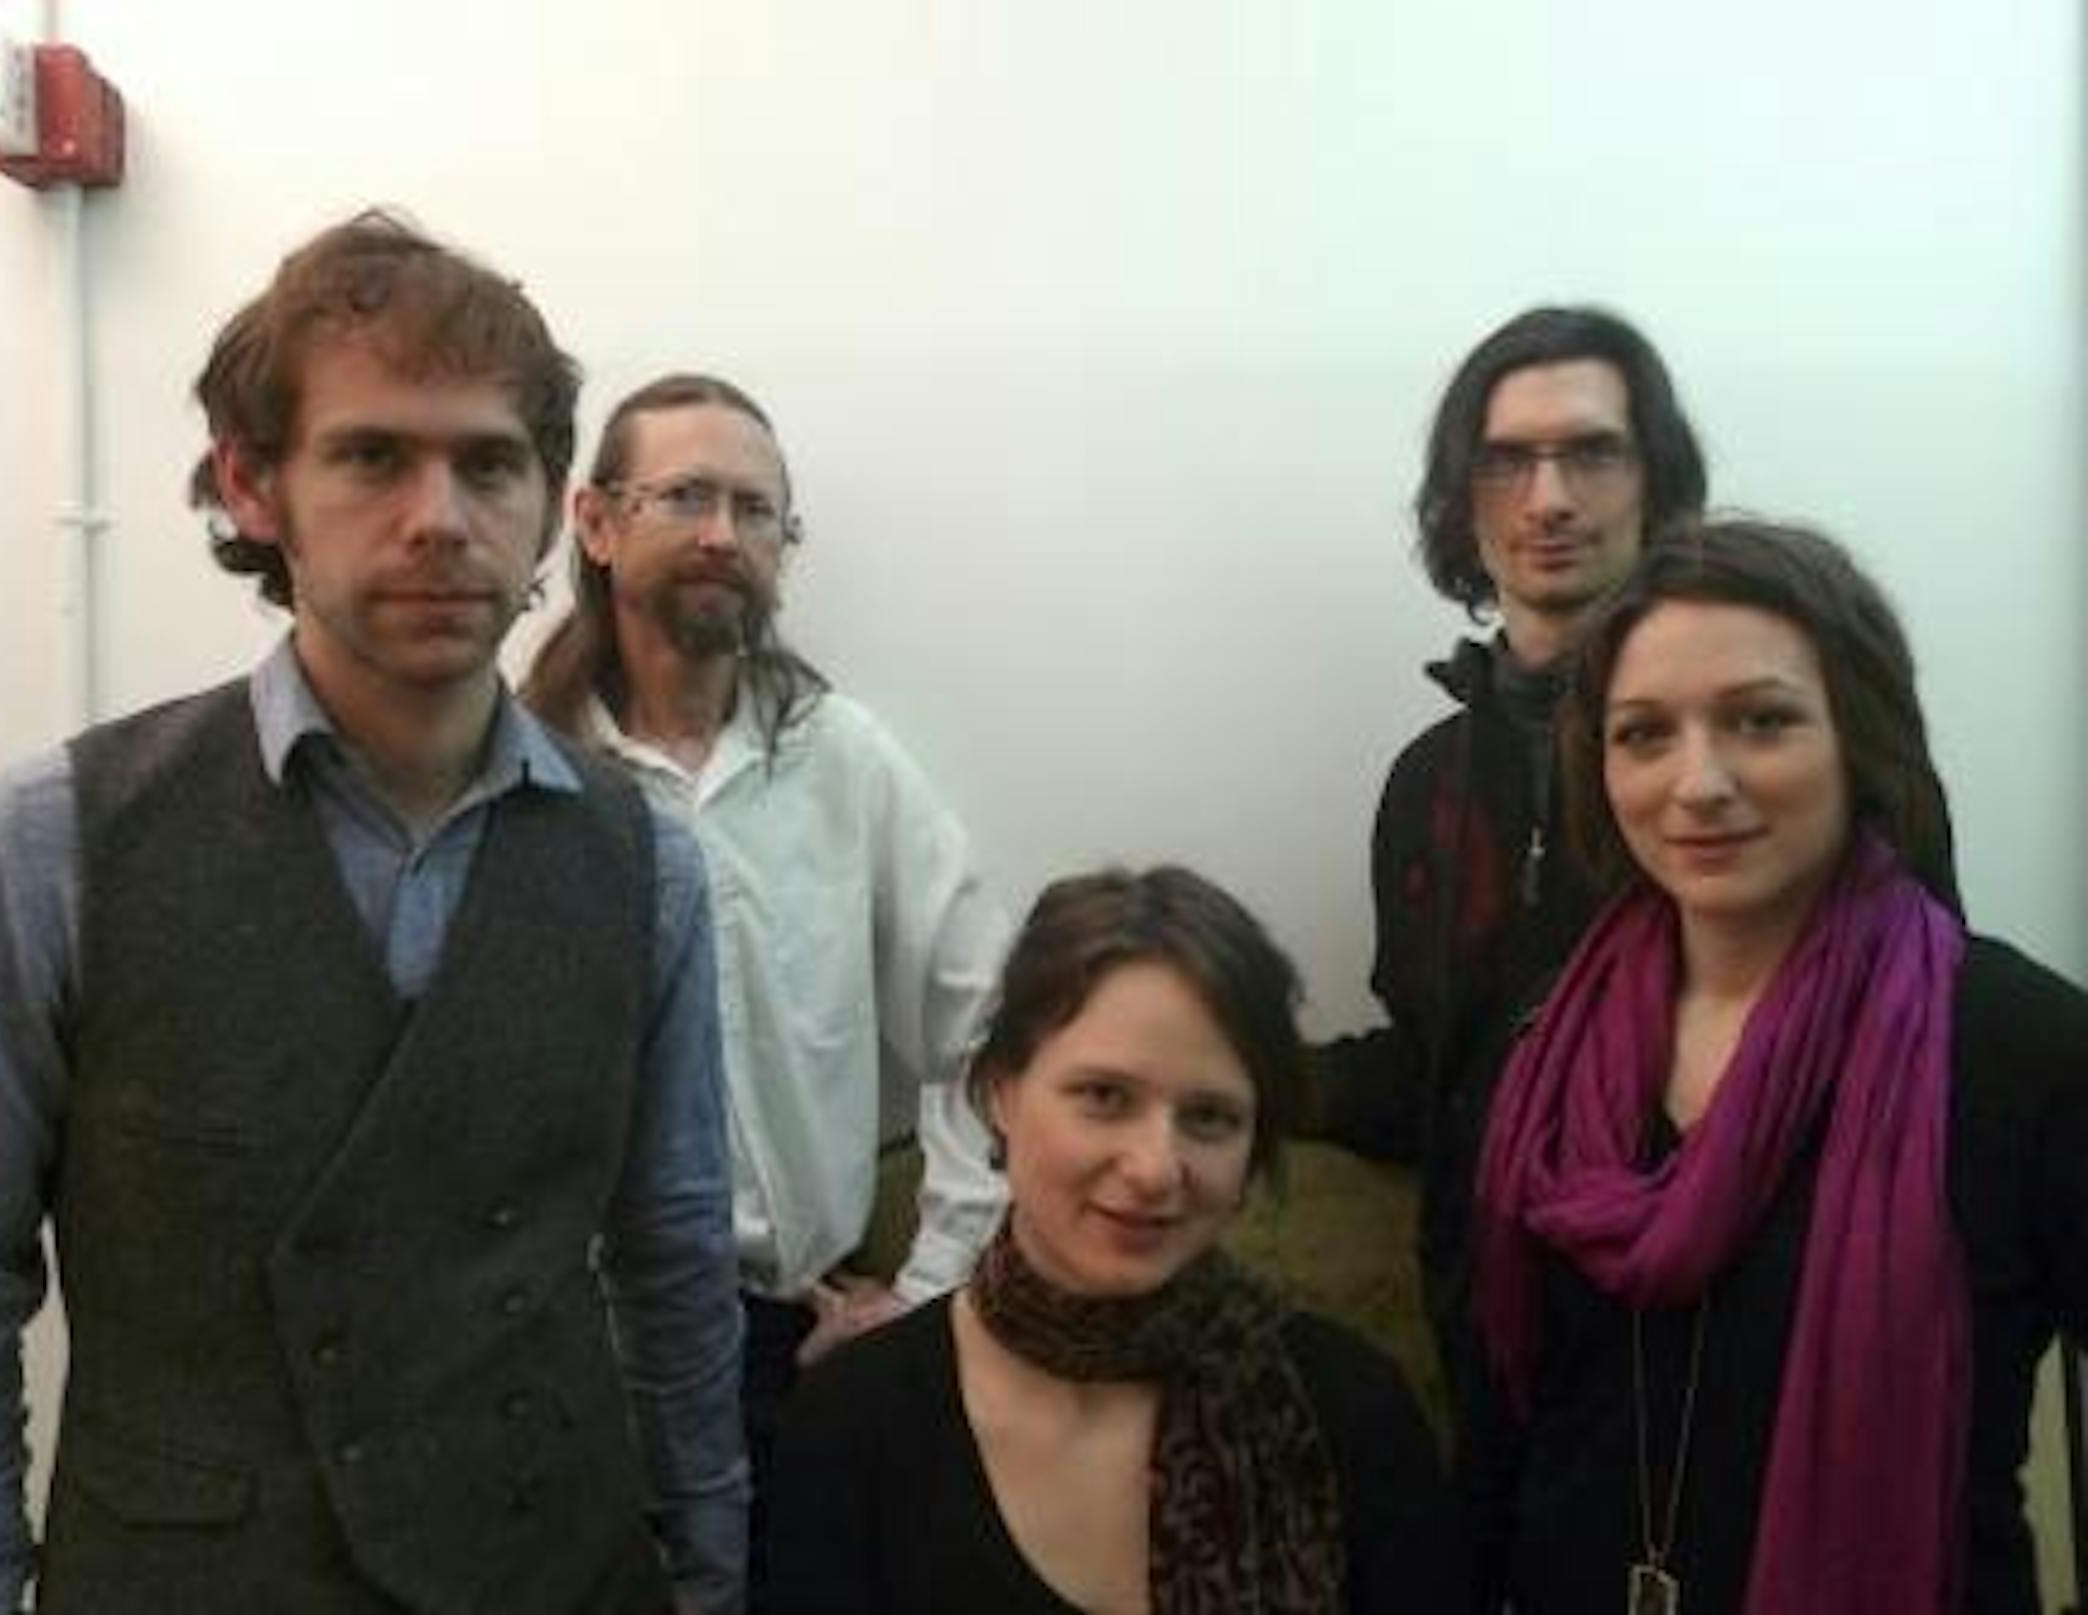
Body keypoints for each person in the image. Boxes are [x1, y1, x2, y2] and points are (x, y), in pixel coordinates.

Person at [0, 212, 746, 1613]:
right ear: (255, 486)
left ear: (551, 503)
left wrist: (711, 1575)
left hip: (555, 1571)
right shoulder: (55, 841)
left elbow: (675, 1266)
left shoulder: (645, 859)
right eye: (372, 456)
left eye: (489, 462)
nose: (440, 517)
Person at [1467, 519, 2088, 1613]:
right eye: (1644, 734)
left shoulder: (2019, 1045)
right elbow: (1516, 1417)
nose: (1698, 782)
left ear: (1861, 736)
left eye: (1761, 720)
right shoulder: (1544, 1045)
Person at [520, 374, 1008, 1569]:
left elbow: (990, 1030)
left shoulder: (842, 760)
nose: (722, 535)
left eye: (756, 510)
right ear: (595, 521)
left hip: (796, 1348)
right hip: (570, 1361)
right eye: (687, 496)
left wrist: (931, 1291)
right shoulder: (520, 776)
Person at [767, 866, 1461, 1612]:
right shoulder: (855, 1424)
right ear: (1000, 1091)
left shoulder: (1352, 1410)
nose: (1155, 1168)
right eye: (1104, 1096)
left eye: (1209, 1117)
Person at [1309, 306, 1708, 1384]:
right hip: (1495, 1333)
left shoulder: (1762, 751)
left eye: (1593, 453)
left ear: (1657, 481)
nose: (1548, 498)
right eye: (1505, 461)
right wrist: (1240, 1067)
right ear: (1461, 498)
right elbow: (1440, 1072)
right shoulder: (1428, 782)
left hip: (1712, 1319)